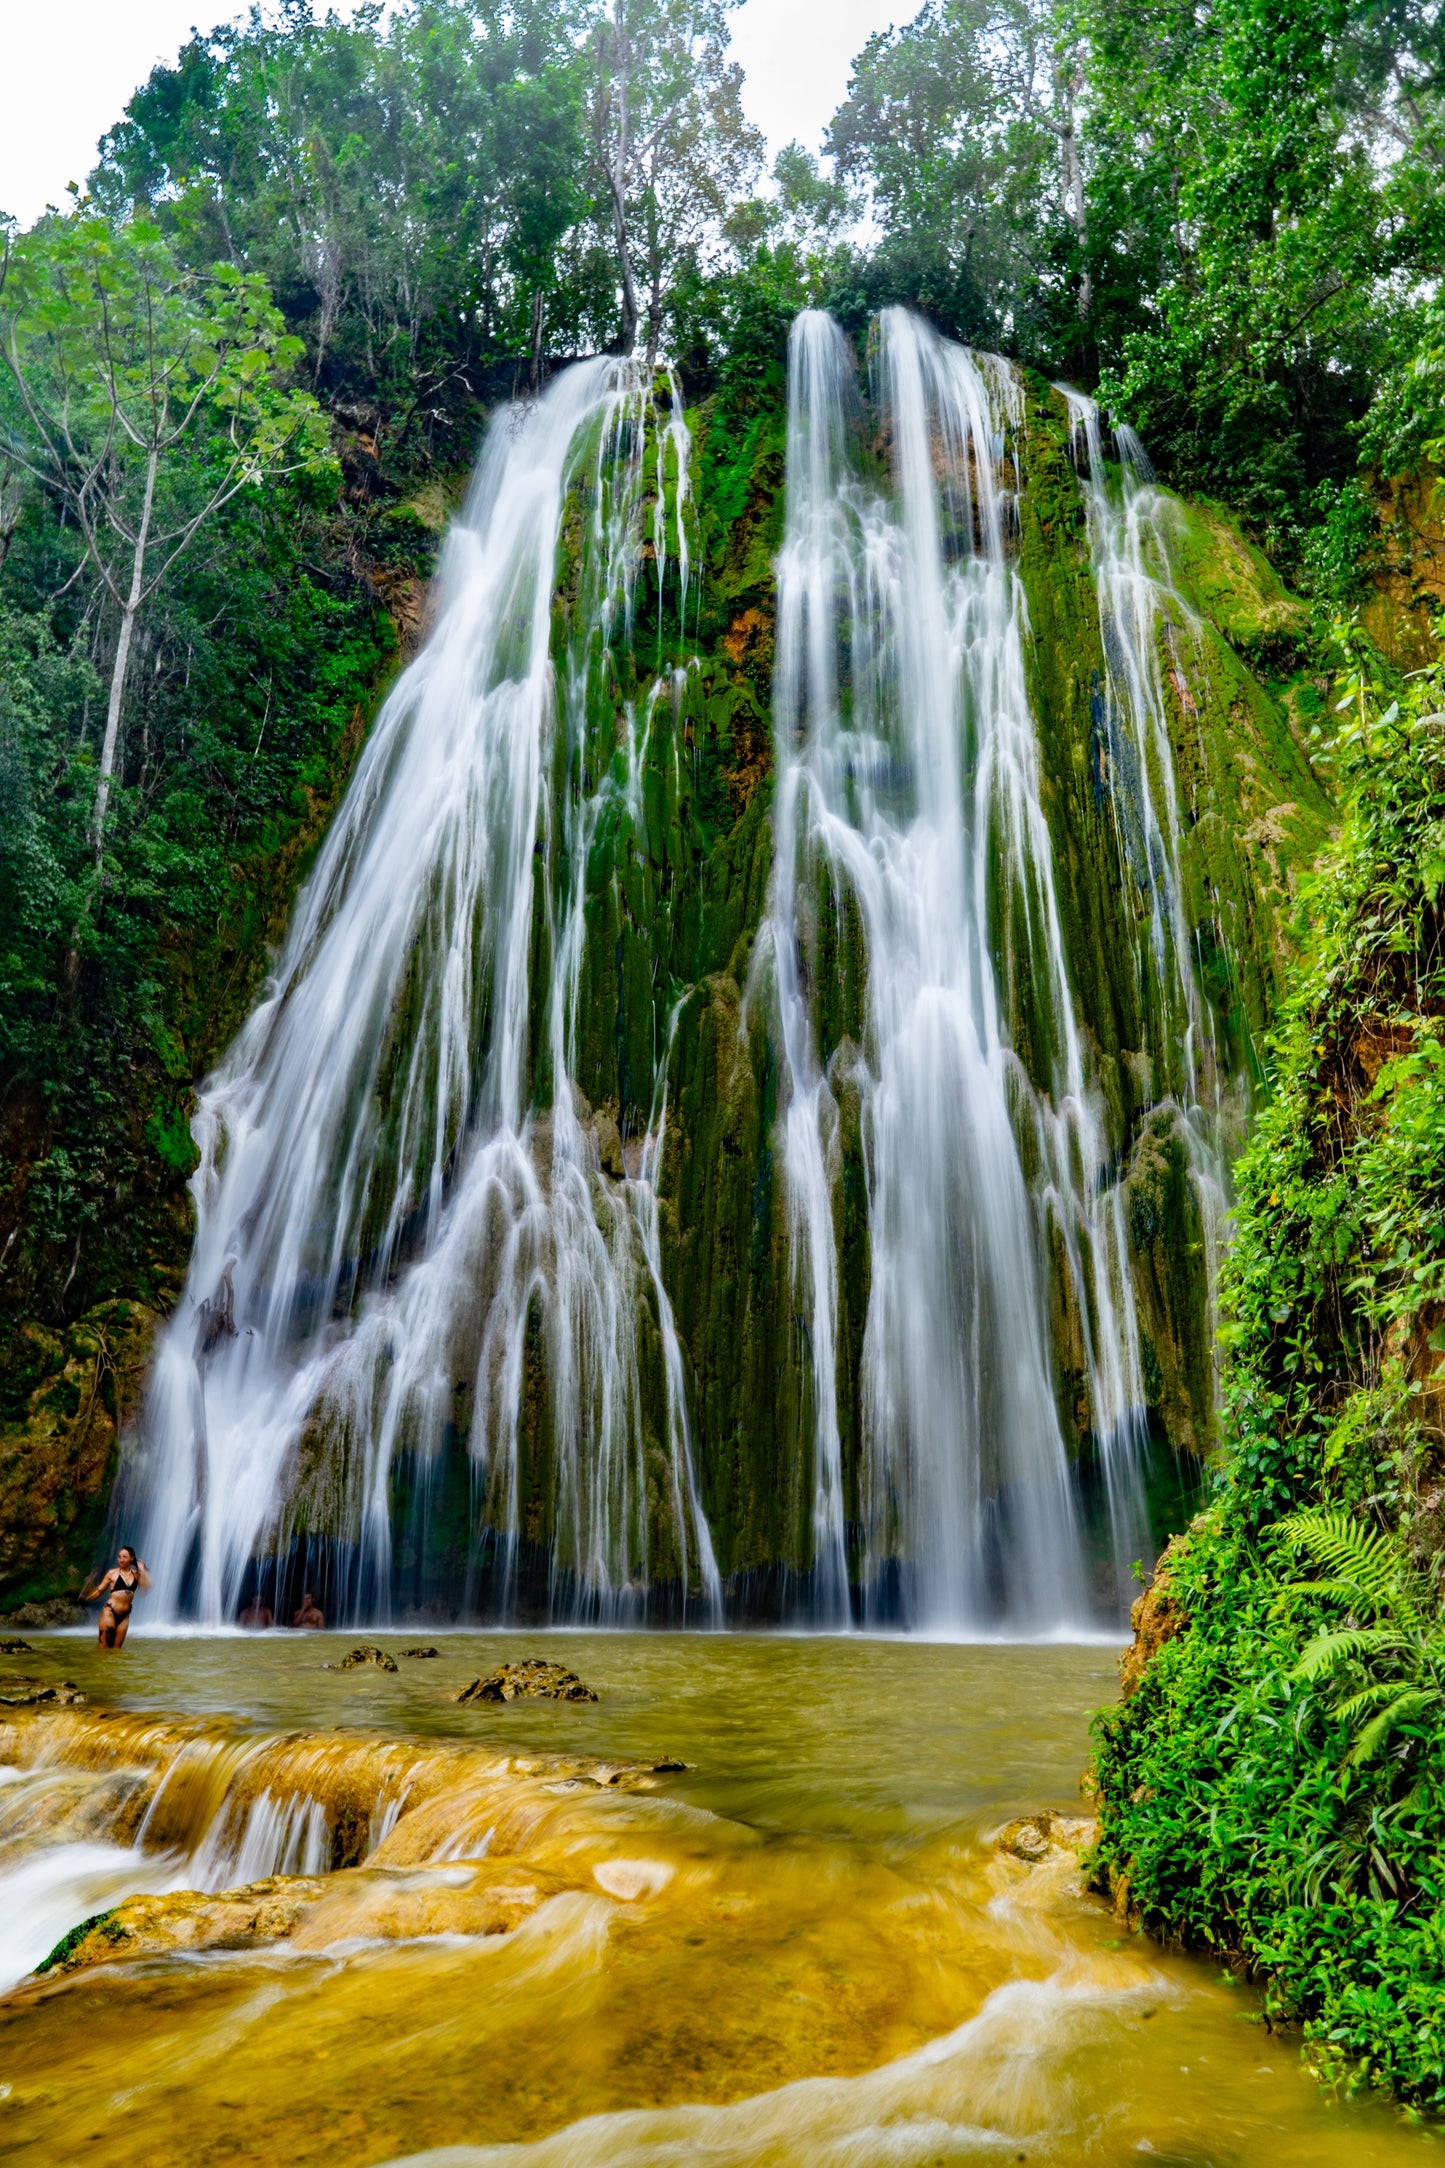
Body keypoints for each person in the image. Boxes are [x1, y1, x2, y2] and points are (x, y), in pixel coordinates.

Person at [80, 1545, 152, 1650]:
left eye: (124, 1557)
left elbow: (146, 1588)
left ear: (131, 1558)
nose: (121, 1559)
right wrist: (87, 1597)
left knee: (116, 1649)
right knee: (104, 1647)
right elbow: (99, 1591)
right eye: (119, 1557)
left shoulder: (136, 1575)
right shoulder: (112, 1573)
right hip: (110, 1612)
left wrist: (143, 1570)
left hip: (125, 1617)